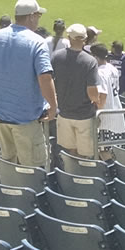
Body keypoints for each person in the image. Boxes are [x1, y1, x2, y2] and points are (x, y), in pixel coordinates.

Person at [0, 0, 56, 167]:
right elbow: (45, 77)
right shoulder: (37, 41)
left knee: (9, 166)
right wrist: (53, 106)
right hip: (25, 117)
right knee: (33, 171)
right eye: (38, 16)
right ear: (31, 16)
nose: (38, 20)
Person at [51, 24, 105, 156]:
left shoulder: (56, 57)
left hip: (64, 113)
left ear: (69, 37)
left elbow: (49, 81)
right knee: (86, 154)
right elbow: (92, 90)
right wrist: (97, 102)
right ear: (85, 39)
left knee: (71, 152)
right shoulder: (90, 61)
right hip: (84, 115)